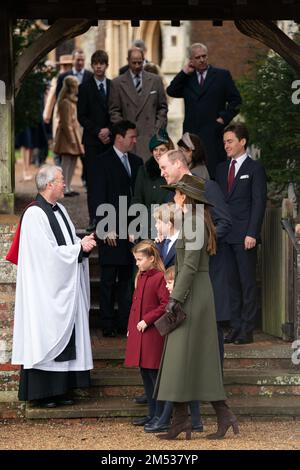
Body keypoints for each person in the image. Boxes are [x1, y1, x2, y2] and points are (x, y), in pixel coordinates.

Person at [154, 174, 239, 440]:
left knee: (189, 357)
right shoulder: (193, 221)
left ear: (186, 197)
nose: (174, 197)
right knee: (185, 359)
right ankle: (185, 420)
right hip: (193, 293)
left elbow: (189, 266)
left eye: (177, 193)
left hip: (193, 296)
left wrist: (174, 299)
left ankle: (216, 416)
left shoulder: (192, 222)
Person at [11, 164, 96, 408]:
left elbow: (65, 245)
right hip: (44, 290)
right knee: (45, 334)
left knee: (64, 333)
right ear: (49, 184)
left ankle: (60, 389)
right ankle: (42, 393)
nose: (64, 185)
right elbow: (46, 256)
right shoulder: (34, 214)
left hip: (61, 284)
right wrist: (78, 249)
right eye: (60, 181)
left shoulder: (60, 210)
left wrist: (81, 243)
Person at [158, 150, 232, 367]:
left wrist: (197, 241)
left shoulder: (208, 188)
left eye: (164, 167)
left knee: (210, 331)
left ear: (179, 164)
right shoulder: (169, 194)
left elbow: (225, 223)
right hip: (178, 275)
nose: (161, 173)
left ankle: (214, 386)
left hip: (207, 272)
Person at [144, 205, 204, 434]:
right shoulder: (164, 242)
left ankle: (170, 417)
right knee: (179, 364)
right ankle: (191, 419)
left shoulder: (184, 241)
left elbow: (184, 270)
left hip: (178, 305)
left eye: (158, 222)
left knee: (178, 364)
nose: (156, 226)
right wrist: (157, 244)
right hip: (168, 306)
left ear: (169, 223)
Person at [216, 123, 267, 345]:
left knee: (247, 284)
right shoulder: (220, 169)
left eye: (230, 141)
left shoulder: (255, 169)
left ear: (242, 142)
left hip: (245, 236)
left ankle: (247, 329)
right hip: (225, 236)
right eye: (225, 141)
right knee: (231, 285)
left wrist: (252, 233)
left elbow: (258, 203)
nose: (226, 145)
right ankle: (235, 328)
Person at [93, 120, 143, 337]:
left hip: (131, 230)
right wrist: (105, 227)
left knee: (126, 280)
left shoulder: (137, 161)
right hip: (111, 230)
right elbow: (97, 197)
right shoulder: (101, 162)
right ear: (119, 137)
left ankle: (124, 322)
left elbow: (138, 196)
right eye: (131, 136)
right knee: (107, 280)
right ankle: (107, 323)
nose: (134, 140)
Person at [167, 43, 242, 178]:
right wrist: (184, 72)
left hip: (214, 133)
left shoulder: (222, 75)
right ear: (191, 60)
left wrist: (223, 118)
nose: (202, 60)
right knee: (191, 175)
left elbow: (236, 101)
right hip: (192, 135)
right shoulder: (187, 78)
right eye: (197, 57)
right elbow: (171, 91)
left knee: (214, 174)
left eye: (204, 56)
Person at [125, 240, 169, 427]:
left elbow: (165, 304)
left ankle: (161, 416)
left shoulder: (159, 277)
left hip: (152, 334)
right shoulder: (141, 276)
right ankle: (152, 414)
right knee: (145, 375)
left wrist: (147, 319)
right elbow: (135, 306)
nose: (137, 263)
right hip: (140, 332)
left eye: (140, 259)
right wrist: (130, 327)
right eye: (135, 259)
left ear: (151, 258)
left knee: (154, 376)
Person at [109, 47, 168, 161]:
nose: (137, 66)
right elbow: (114, 111)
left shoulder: (155, 80)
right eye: (134, 63)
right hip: (130, 139)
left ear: (143, 60)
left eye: (139, 62)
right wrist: (123, 132)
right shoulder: (117, 83)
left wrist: (157, 129)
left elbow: (162, 108)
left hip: (151, 137)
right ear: (128, 60)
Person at [77, 50, 111, 232]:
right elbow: (81, 116)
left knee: (109, 180)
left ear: (107, 65)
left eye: (102, 63)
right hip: (92, 140)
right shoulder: (85, 88)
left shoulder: (113, 86)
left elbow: (116, 112)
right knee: (93, 181)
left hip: (110, 141)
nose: (99, 66)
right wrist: (97, 131)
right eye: (96, 63)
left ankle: (109, 218)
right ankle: (94, 218)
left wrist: (109, 131)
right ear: (92, 65)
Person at [131, 129, 173, 239]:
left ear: (169, 150)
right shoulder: (144, 170)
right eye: (155, 149)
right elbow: (137, 199)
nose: (158, 153)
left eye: (162, 149)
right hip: (148, 226)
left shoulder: (174, 170)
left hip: (170, 226)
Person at [54, 76, 84, 196]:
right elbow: (66, 123)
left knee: (73, 161)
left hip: (74, 134)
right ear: (71, 87)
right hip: (68, 136)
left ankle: (68, 186)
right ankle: (63, 188)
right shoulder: (65, 102)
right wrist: (71, 139)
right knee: (66, 162)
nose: (78, 88)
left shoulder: (72, 101)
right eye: (76, 86)